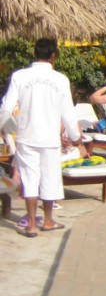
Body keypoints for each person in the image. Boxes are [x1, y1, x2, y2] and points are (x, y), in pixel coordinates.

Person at [0, 38, 83, 237]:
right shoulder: (60, 79)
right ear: (53, 56)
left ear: (34, 53)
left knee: (30, 179)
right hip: (50, 139)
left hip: (26, 137)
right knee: (50, 178)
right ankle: (47, 221)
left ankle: (30, 225)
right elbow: (68, 112)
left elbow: (6, 106)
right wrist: (76, 138)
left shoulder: (19, 76)